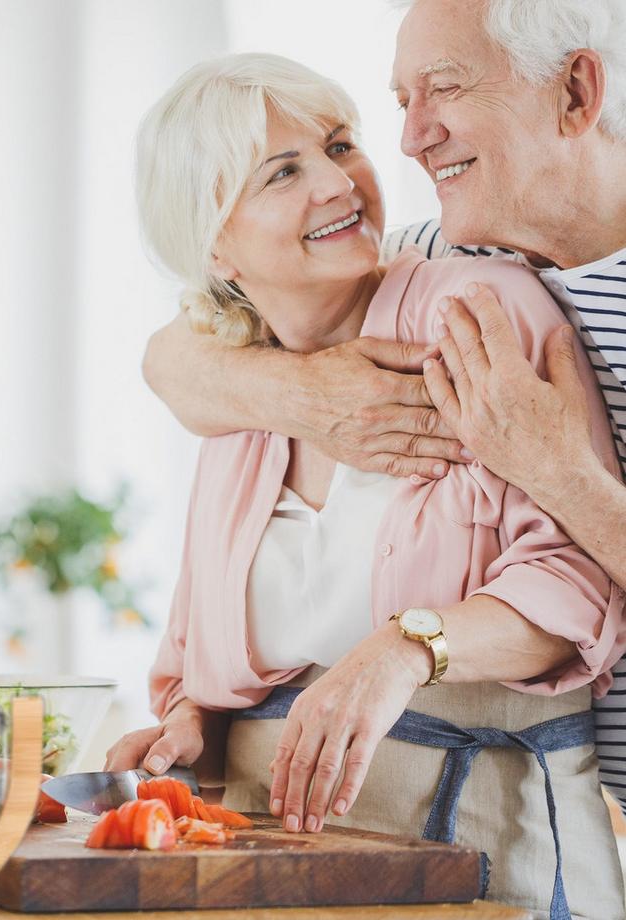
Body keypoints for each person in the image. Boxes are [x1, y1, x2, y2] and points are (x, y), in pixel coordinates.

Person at [106, 52, 625, 919]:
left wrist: (406, 648)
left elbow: (578, 583)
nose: (338, 183)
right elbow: (196, 650)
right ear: (214, 243)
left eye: (341, 145)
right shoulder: (237, 394)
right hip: (279, 865)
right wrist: (190, 725)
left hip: (487, 854)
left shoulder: (478, 309)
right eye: (284, 171)